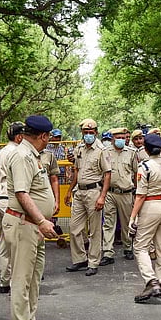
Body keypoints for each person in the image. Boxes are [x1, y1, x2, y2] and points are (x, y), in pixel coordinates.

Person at [2, 115, 59, 320]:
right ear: (43, 136)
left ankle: (29, 317)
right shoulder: (22, 156)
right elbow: (21, 194)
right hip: (23, 223)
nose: (49, 142)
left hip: (34, 226)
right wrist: (41, 220)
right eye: (49, 138)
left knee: (34, 275)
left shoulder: (32, 155)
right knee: (22, 276)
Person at [129, 133, 161, 302]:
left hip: (150, 206)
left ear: (146, 150)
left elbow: (140, 195)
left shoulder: (145, 167)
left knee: (140, 246)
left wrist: (132, 218)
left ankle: (151, 280)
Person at [65, 118, 111, 276]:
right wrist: (69, 191)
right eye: (86, 133)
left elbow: (107, 174)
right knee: (74, 228)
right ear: (82, 133)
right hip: (79, 192)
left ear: (96, 132)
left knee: (94, 230)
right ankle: (79, 259)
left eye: (91, 132)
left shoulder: (101, 150)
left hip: (94, 192)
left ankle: (93, 262)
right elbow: (76, 172)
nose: (89, 135)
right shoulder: (79, 149)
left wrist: (102, 197)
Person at [0, 122, 24, 294]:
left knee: (4, 242)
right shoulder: (16, 153)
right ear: (19, 136)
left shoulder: (3, 151)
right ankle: (14, 282)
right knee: (16, 243)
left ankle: (4, 280)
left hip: (1, 198)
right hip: (11, 200)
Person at [102, 127, 137, 264]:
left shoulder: (131, 153)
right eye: (118, 137)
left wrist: (137, 191)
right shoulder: (105, 152)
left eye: (123, 137)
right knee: (108, 223)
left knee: (127, 222)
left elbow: (136, 173)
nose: (121, 140)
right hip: (110, 192)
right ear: (112, 138)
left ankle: (128, 247)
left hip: (126, 193)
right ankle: (108, 252)